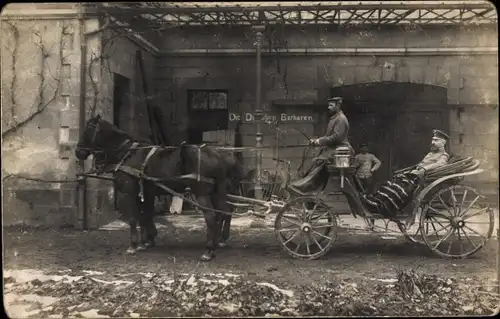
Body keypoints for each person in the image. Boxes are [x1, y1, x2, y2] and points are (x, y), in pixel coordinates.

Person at [362, 129, 451, 219]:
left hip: (422, 177)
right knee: (393, 183)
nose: (432, 142)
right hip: (416, 174)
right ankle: (378, 202)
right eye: (432, 140)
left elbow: (441, 164)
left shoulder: (444, 155)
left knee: (401, 187)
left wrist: (424, 169)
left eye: (436, 140)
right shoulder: (431, 153)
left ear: (443, 143)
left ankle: (387, 207)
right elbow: (420, 165)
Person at [289, 97, 354, 194]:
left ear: (338, 106)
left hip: (340, 150)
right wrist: (316, 141)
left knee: (321, 161)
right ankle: (309, 188)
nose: (328, 107)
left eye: (331, 105)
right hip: (334, 149)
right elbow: (329, 136)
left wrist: (319, 141)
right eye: (328, 105)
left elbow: (337, 138)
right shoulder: (335, 118)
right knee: (315, 160)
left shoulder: (341, 119)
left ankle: (306, 187)